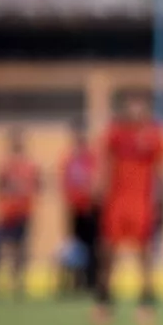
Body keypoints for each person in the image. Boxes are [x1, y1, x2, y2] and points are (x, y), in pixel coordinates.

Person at [92, 89, 163, 325]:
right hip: (116, 203)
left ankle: (146, 306)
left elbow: (162, 173)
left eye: (140, 105)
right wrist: (99, 193)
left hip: (142, 204)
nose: (135, 110)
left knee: (145, 258)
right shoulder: (114, 134)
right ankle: (104, 304)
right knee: (107, 256)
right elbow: (103, 165)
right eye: (131, 105)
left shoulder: (155, 136)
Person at [0, 127, 41, 299]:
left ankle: (18, 284)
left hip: (23, 213)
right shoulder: (5, 165)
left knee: (20, 250)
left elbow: (38, 184)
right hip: (5, 214)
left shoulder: (30, 165)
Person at [60, 120, 99, 292]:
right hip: (75, 209)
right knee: (77, 246)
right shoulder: (68, 159)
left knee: (93, 246)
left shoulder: (92, 158)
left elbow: (96, 182)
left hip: (91, 210)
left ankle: (92, 281)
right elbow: (65, 185)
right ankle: (78, 282)